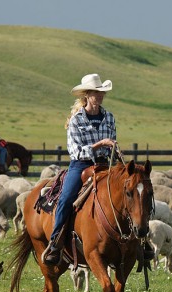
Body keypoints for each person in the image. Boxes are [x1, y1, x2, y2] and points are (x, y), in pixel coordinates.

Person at [42, 73, 116, 266]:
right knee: (66, 198)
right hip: (81, 165)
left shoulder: (109, 117)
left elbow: (112, 142)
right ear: (86, 95)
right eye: (94, 93)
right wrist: (99, 144)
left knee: (129, 191)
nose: (98, 96)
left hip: (105, 164)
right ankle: (55, 241)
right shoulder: (76, 120)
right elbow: (75, 151)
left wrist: (113, 150)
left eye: (101, 93)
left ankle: (139, 240)